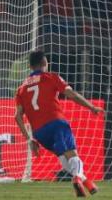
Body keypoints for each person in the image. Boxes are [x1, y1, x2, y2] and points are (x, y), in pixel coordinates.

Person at [14, 51, 104, 197]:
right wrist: (91, 107)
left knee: (64, 158)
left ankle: (87, 183)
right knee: (73, 156)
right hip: (56, 123)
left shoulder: (21, 89)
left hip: (39, 133)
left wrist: (29, 139)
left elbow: (17, 116)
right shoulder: (51, 77)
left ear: (30, 66)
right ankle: (77, 178)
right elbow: (71, 94)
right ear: (45, 63)